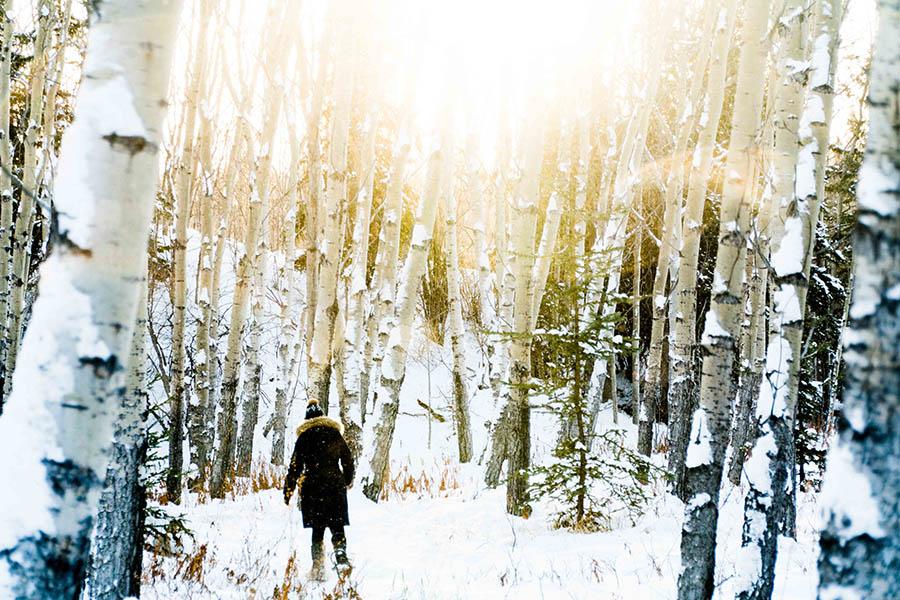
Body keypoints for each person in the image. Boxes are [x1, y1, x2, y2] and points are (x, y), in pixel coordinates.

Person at [283, 399, 355, 580]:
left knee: (318, 528)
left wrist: (288, 489)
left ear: (307, 419)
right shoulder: (334, 434)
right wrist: (346, 480)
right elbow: (347, 459)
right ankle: (340, 553)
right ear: (322, 415)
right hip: (335, 485)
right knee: (337, 524)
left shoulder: (304, 437)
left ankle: (317, 568)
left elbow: (295, 466)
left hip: (313, 486)